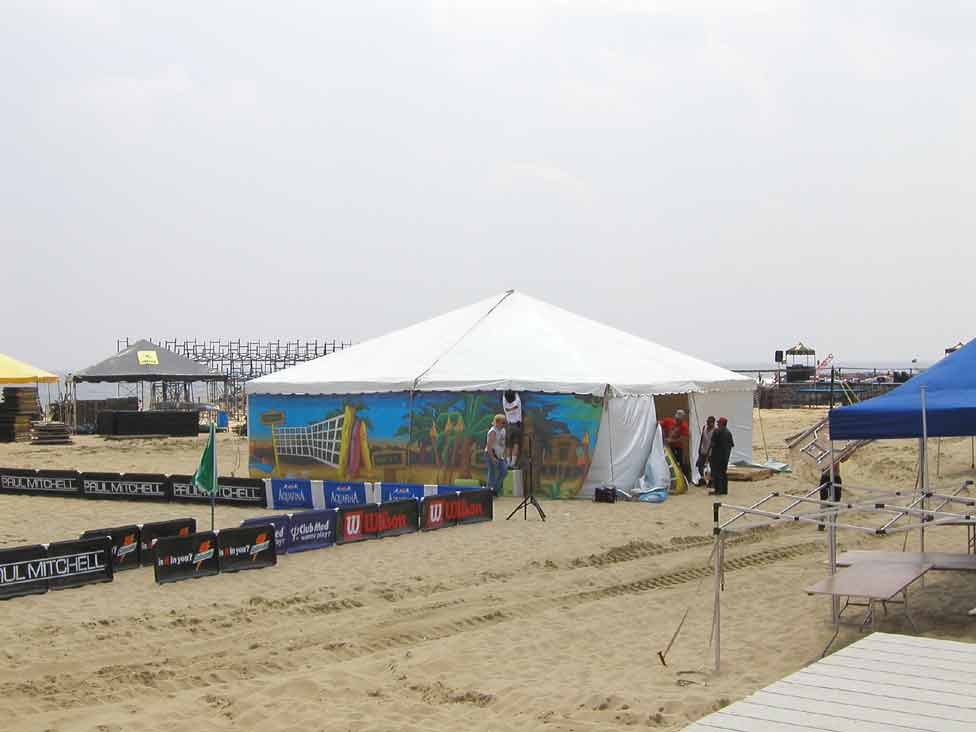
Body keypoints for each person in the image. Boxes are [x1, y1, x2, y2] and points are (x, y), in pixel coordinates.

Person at [660, 409, 690, 479]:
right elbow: (659, 424)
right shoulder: (668, 421)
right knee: (667, 461)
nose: (678, 421)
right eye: (677, 419)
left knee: (678, 462)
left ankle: (682, 477)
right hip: (667, 446)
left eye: (679, 419)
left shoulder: (684, 426)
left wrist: (672, 440)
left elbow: (683, 438)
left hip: (677, 447)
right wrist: (663, 435)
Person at [708, 417, 734, 495]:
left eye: (718, 422)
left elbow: (712, 444)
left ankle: (718, 490)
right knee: (723, 473)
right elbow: (731, 445)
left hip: (716, 456)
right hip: (725, 457)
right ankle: (724, 490)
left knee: (716, 473)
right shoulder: (729, 433)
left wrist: (709, 454)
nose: (717, 423)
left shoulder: (717, 431)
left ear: (722, 423)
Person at [485, 414, 508, 495]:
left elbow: (503, 443)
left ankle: (494, 489)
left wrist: (504, 455)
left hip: (499, 455)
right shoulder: (493, 431)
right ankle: (488, 492)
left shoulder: (503, 430)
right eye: (503, 423)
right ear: (497, 422)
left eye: (505, 422)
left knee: (504, 471)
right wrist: (492, 457)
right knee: (492, 473)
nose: (504, 424)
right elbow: (489, 446)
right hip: (491, 454)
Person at [817, 463, 842, 531]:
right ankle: (821, 521)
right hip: (825, 476)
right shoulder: (823, 455)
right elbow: (820, 464)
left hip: (836, 476)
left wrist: (847, 454)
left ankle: (832, 523)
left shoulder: (836, 454)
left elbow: (843, 460)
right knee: (823, 501)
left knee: (836, 501)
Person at [502, 390, 523, 468]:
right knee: (515, 444)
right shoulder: (517, 402)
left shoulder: (505, 405)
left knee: (508, 445)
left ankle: (508, 463)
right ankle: (513, 463)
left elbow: (504, 396)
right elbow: (517, 394)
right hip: (517, 425)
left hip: (509, 426)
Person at [696, 416, 716, 487]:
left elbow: (713, 442)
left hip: (711, 452)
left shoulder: (715, 430)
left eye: (709, 422)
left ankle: (711, 481)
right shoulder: (704, 428)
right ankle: (702, 479)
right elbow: (702, 438)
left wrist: (709, 451)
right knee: (699, 465)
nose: (708, 423)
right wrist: (699, 447)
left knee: (712, 467)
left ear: (713, 423)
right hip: (703, 450)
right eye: (707, 421)